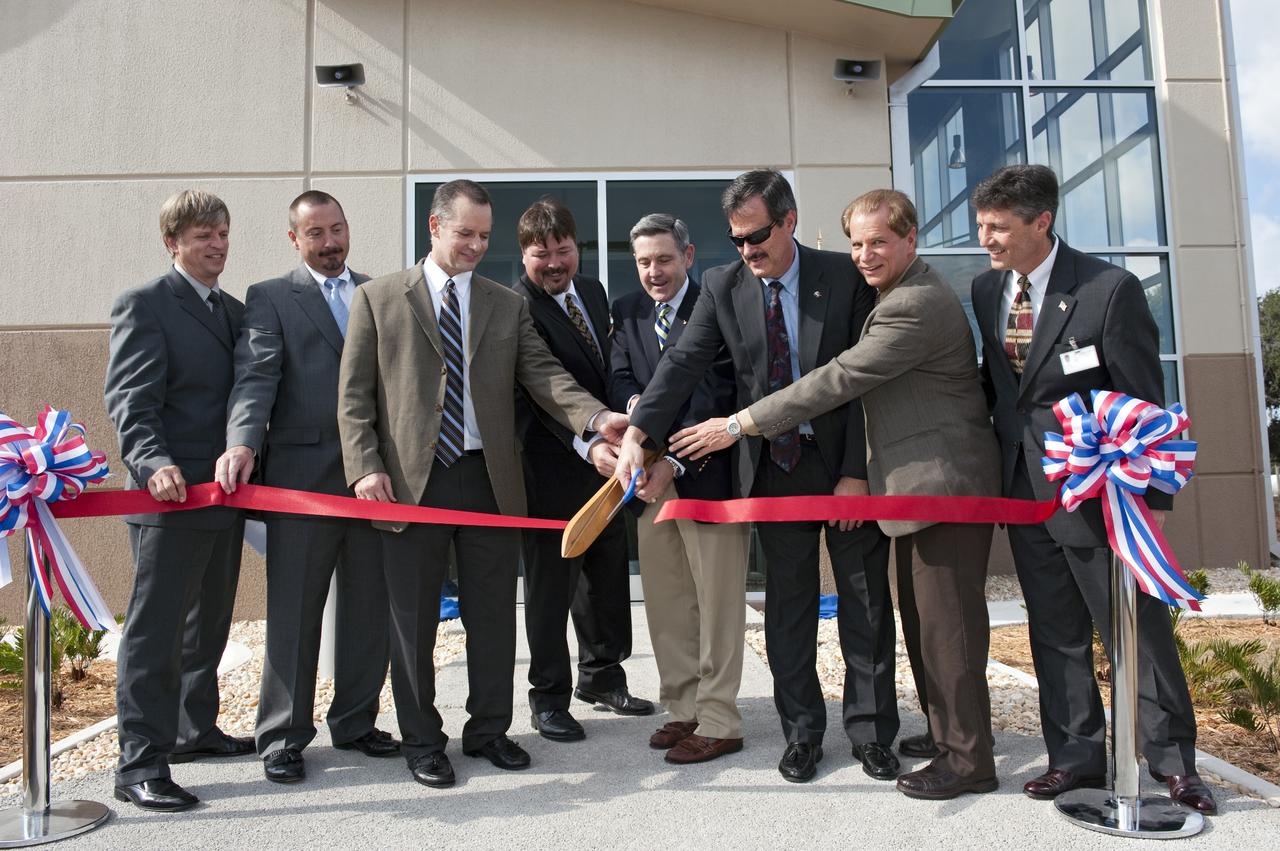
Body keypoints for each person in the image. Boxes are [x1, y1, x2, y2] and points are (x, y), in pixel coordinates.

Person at [690, 189, 1001, 800]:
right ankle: (939, 739)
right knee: (918, 622)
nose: (864, 255)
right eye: (856, 243)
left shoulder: (911, 303)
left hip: (932, 484)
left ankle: (960, 758)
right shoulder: (890, 292)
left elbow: (842, 379)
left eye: (879, 241)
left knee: (943, 629)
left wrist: (737, 425)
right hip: (871, 484)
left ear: (911, 238)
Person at [336, 179, 627, 789]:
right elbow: (354, 396)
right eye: (465, 233)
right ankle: (421, 739)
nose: (475, 246)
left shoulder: (505, 303)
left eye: (484, 236)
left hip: (490, 480)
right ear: (435, 227)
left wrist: (597, 418)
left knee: (492, 614)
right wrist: (365, 466)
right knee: (411, 619)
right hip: (411, 484)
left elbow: (545, 377)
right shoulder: (378, 298)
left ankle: (490, 730)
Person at [614, 170, 898, 784]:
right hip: (774, 470)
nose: (747, 250)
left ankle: (873, 732)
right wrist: (639, 436)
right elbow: (685, 362)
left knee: (865, 601)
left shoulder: (844, 277)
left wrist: (855, 473)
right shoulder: (724, 285)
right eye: (737, 239)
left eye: (758, 235)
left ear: (790, 220)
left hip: (842, 464)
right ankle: (802, 735)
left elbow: (861, 384)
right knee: (788, 609)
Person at [970, 164, 1217, 814]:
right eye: (981, 226)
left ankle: (1172, 764)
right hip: (1027, 490)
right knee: (1054, 629)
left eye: (998, 227)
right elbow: (1001, 388)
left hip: (1103, 495)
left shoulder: (1108, 289)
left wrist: (1149, 501)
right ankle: (1076, 758)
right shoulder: (984, 289)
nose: (986, 239)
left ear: (1041, 221)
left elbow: (1144, 399)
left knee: (1133, 628)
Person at [216, 190, 396, 785]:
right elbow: (255, 376)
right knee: (294, 611)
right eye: (315, 233)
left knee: (370, 604)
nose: (330, 242)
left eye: (338, 228)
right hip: (301, 483)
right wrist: (243, 441)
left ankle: (356, 720)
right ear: (294, 239)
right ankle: (283, 735)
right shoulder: (270, 298)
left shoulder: (376, 290)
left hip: (372, 477)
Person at [104, 189, 254, 812]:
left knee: (208, 623)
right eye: (201, 237)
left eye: (222, 233)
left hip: (224, 497)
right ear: (173, 244)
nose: (216, 245)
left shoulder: (234, 310)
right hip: (169, 498)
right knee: (155, 635)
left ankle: (195, 731)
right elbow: (131, 402)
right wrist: (153, 461)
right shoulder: (145, 305)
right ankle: (140, 762)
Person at [609, 213, 749, 763]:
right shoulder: (627, 311)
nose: (654, 272)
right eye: (643, 262)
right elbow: (621, 376)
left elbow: (714, 389)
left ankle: (720, 719)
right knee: (667, 600)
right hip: (647, 480)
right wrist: (634, 417)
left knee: (716, 604)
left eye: (664, 259)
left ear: (688, 257)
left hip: (707, 477)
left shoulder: (715, 306)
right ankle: (684, 707)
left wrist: (671, 457)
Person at [512, 198, 653, 744]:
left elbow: (605, 370)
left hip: (609, 464)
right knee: (551, 589)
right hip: (549, 466)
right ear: (522, 255)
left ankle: (601, 678)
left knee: (607, 578)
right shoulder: (514, 306)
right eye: (540, 254)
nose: (553, 264)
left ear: (578, 248)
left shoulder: (592, 292)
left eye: (563, 251)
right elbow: (531, 389)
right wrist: (584, 442)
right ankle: (547, 697)